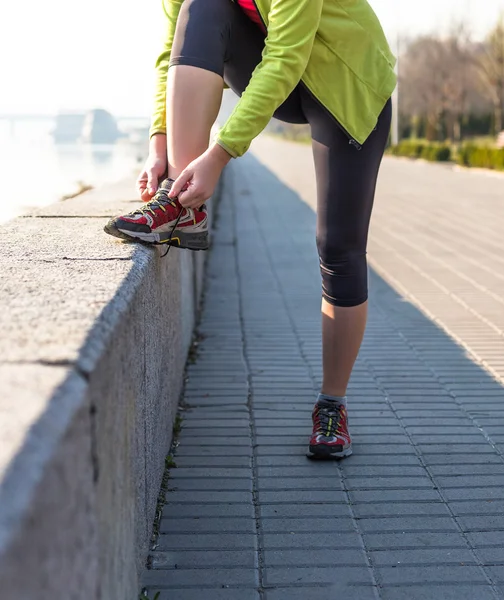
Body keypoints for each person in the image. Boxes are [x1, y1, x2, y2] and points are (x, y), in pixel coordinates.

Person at [104, 0, 396, 459]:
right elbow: (172, 51)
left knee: (337, 247)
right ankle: (181, 202)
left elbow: (287, 54)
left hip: (346, 82)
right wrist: (157, 142)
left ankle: (332, 406)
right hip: (274, 64)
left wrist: (220, 155)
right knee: (202, 7)